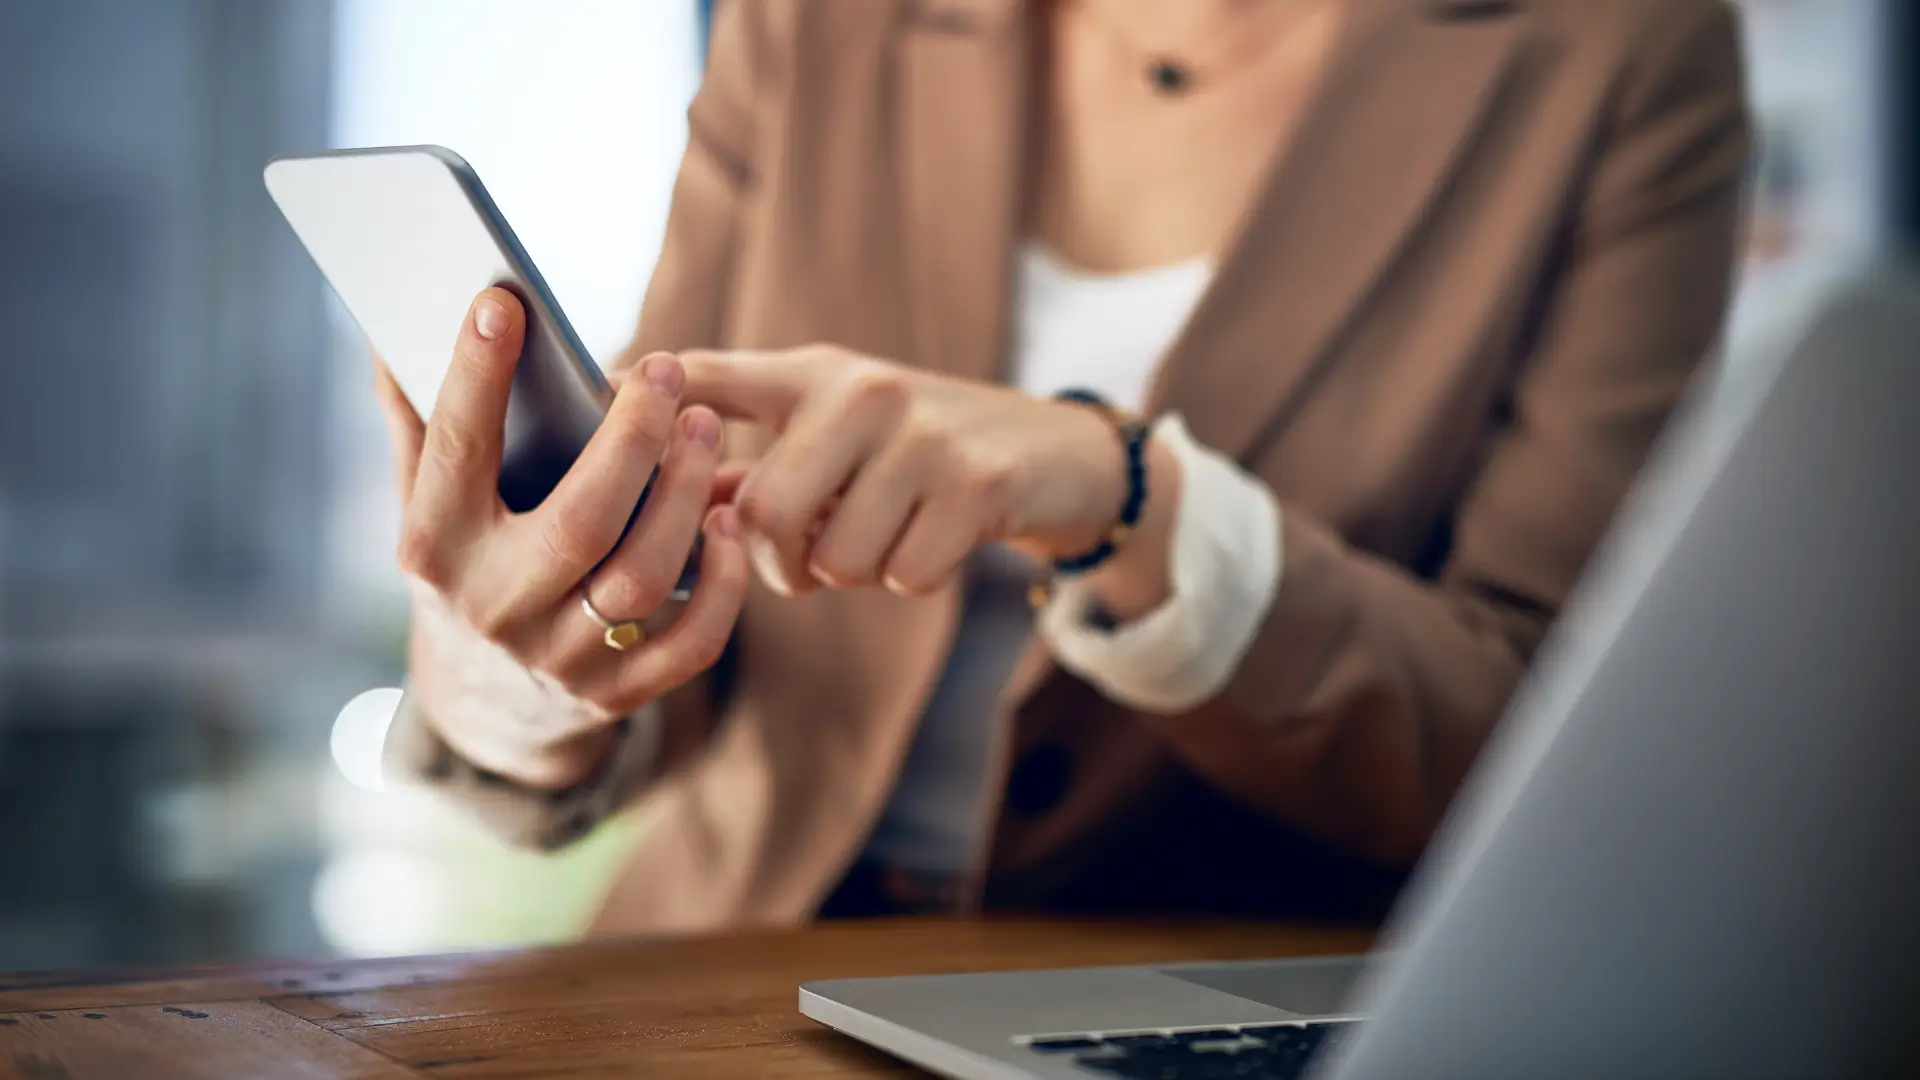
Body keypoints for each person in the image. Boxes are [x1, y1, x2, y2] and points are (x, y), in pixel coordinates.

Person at [377, 0, 1751, 934]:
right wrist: (513, 681)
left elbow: (1544, 750)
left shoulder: (1619, 50)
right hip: (722, 990)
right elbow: (666, 605)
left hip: (1217, 1003)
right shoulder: (815, 22)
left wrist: (1136, 504)